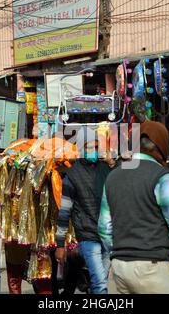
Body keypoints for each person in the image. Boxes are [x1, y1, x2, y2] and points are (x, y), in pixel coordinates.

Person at [98, 120, 169, 294]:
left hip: (119, 267)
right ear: (161, 146)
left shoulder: (113, 177)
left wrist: (120, 251)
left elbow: (105, 228)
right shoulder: (162, 176)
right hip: (153, 265)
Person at [55, 126, 113, 294]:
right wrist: (60, 244)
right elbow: (64, 213)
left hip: (107, 236)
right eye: (90, 147)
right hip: (87, 235)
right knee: (100, 282)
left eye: (96, 147)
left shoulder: (105, 170)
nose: (94, 151)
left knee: (100, 281)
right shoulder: (72, 175)